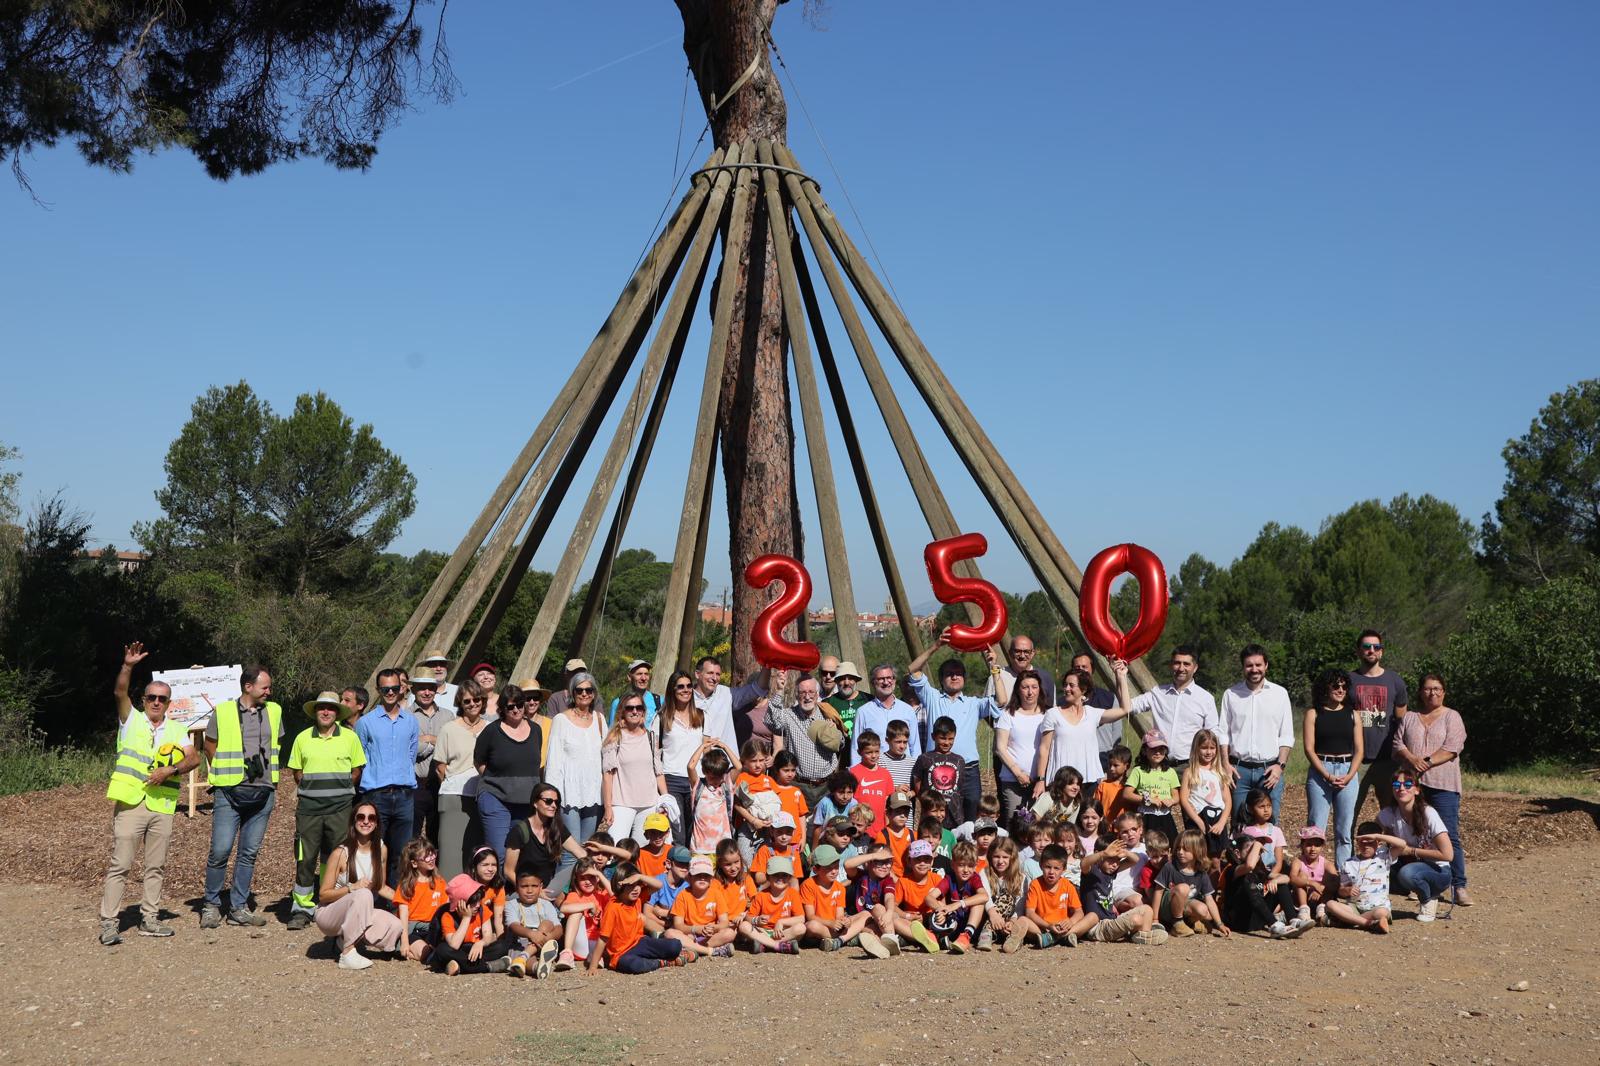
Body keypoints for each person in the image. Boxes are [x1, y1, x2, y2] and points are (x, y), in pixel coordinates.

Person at [99, 641, 199, 945]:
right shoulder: (131, 720)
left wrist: (169, 771)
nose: (156, 702)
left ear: (169, 703)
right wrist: (128, 666)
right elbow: (119, 692)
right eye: (152, 697)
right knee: (121, 865)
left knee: (156, 866)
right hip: (131, 802)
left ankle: (150, 918)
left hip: (162, 806)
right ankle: (109, 922)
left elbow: (194, 758)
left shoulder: (177, 730)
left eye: (162, 699)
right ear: (144, 699)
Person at [202, 664, 282, 929]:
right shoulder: (223, 712)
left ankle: (238, 907)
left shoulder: (274, 711)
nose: (269, 692)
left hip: (263, 792)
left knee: (249, 853)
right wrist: (226, 773)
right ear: (248, 687)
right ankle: (211, 905)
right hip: (229, 791)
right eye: (265, 687)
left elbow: (275, 745)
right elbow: (209, 745)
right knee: (221, 850)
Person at [286, 691, 367, 930]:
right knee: (305, 856)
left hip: (340, 808)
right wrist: (313, 791)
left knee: (337, 857)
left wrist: (340, 791)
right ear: (315, 711)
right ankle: (301, 908)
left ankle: (331, 903)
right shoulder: (302, 738)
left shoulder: (350, 738)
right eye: (321, 707)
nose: (325, 712)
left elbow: (356, 770)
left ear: (337, 713)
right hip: (309, 809)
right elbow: (297, 772)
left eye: (330, 708)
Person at [906, 632, 1003, 818]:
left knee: (971, 815)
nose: (954, 677)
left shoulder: (973, 703)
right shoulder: (932, 697)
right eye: (949, 674)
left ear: (964, 678)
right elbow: (912, 669)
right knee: (936, 816)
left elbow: (1002, 700)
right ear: (941, 679)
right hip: (937, 767)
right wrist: (935, 646)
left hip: (968, 770)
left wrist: (994, 668)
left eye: (958, 673)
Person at [1393, 673, 1470, 905]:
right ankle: (1416, 882)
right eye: (1427, 689)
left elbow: (1453, 747)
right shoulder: (1410, 717)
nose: (1432, 693)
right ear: (1420, 692)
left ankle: (1459, 885)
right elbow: (1397, 743)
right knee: (1414, 832)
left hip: (1443, 785)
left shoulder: (1452, 716)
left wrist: (1424, 761)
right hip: (1413, 786)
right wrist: (1410, 758)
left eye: (1437, 688)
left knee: (1448, 834)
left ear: (1444, 691)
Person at [314, 799, 403, 970]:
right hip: (329, 914)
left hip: (358, 909)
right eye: (361, 817)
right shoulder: (341, 853)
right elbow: (323, 895)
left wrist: (406, 900)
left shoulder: (381, 849)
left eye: (371, 818)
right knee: (363, 894)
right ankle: (347, 953)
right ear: (353, 822)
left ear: (377, 823)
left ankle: (345, 938)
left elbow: (381, 886)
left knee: (396, 925)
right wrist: (351, 888)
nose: (366, 821)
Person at [355, 667, 419, 881]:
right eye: (385, 689)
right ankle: (371, 901)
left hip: (404, 795)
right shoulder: (365, 723)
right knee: (374, 851)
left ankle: (393, 903)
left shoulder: (411, 721)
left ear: (401, 688)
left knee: (401, 854)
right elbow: (361, 758)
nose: (390, 693)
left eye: (394, 688)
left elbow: (410, 755)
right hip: (376, 795)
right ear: (378, 690)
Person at [1221, 643, 1296, 825]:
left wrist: (1280, 766)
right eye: (1249, 665)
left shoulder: (1280, 694)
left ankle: (1268, 855)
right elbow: (1223, 733)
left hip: (1269, 771)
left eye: (1258, 665)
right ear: (1243, 667)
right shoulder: (1231, 694)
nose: (1254, 669)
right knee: (1239, 824)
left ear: (1266, 665)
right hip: (1238, 772)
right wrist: (1225, 764)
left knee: (1270, 826)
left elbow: (1286, 735)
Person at [1034, 660, 1133, 794]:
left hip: (1089, 781)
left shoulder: (1092, 713)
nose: (1066, 689)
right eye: (1065, 685)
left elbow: (1125, 709)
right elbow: (1044, 748)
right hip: (1061, 781)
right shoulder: (1053, 714)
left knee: (1088, 815)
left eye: (1071, 685)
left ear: (1083, 689)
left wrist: (1121, 677)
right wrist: (1041, 779)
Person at [545, 671, 606, 882]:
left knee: (587, 850)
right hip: (567, 794)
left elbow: (606, 759)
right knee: (571, 853)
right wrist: (551, 798)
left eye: (588, 690)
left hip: (593, 793)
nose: (584, 694)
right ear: (572, 693)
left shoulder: (599, 719)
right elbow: (553, 761)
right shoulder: (561, 720)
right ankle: (557, 898)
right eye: (579, 690)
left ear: (594, 693)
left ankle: (580, 896)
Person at [474, 682, 544, 862]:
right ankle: (494, 890)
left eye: (520, 704)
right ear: (502, 709)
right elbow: (479, 761)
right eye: (510, 706)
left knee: (519, 853)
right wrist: (497, 780)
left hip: (525, 802)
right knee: (499, 853)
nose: (516, 710)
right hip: (495, 798)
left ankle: (512, 891)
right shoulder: (491, 731)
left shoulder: (536, 730)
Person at [1376, 769, 1455, 921]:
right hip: (1407, 865)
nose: (1401, 788)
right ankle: (1374, 904)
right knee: (1374, 871)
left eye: (1407, 784)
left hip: (1438, 871)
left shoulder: (1428, 814)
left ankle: (1428, 899)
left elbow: (1448, 855)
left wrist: (1411, 851)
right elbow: (1372, 832)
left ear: (1417, 790)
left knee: (1407, 873)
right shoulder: (1389, 814)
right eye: (1396, 784)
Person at [1304, 668, 1363, 867]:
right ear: (1325, 687)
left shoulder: (1354, 715)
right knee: (1315, 828)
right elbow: (1309, 749)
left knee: (1344, 830)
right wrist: (1327, 775)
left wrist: (1349, 776)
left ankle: (1343, 876)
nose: (1340, 690)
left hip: (1348, 771)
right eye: (1336, 685)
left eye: (1344, 686)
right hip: (1321, 772)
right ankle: (1314, 874)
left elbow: (1359, 750)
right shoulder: (1313, 714)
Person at [432, 679, 490, 878]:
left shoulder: (491, 728)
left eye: (476, 700)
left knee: (477, 855)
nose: (472, 704)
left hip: (482, 797)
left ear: (483, 701)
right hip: (454, 797)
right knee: (451, 856)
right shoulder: (449, 728)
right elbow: (440, 766)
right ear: (460, 704)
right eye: (467, 701)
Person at [1349, 629, 1409, 818]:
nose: (1371, 650)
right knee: (1350, 812)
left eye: (1376, 647)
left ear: (1381, 652)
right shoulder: (1348, 680)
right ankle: (1348, 848)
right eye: (1366, 647)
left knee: (1391, 813)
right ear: (1358, 651)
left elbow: (1402, 721)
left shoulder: (1395, 681)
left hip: (1387, 760)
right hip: (1354, 759)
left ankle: (1391, 848)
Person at [589, 863, 693, 972]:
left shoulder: (637, 899)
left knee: (674, 945)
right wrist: (593, 966)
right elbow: (603, 938)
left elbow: (659, 885)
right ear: (620, 885)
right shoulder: (613, 907)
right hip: (621, 953)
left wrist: (640, 876)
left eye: (638, 884)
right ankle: (664, 962)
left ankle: (674, 955)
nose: (635, 889)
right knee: (634, 965)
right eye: (631, 885)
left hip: (640, 942)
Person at [765, 675, 847, 810]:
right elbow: (772, 723)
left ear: (817, 694)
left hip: (827, 786)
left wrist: (833, 734)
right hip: (799, 784)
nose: (807, 697)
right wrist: (779, 691)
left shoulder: (827, 713)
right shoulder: (789, 715)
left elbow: (842, 744)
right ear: (796, 695)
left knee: (826, 829)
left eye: (811, 692)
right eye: (803, 692)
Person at [1128, 646, 1218, 769]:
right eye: (1177, 663)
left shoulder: (1206, 699)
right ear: (1171, 665)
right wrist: (1120, 675)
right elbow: (1129, 706)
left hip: (1190, 766)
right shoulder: (1158, 693)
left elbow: (1213, 735)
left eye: (1186, 664)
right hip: (1159, 765)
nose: (1181, 668)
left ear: (1195, 668)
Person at [600, 694, 670, 843]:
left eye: (638, 707)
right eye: (630, 708)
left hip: (649, 804)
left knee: (643, 852)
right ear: (622, 711)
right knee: (615, 851)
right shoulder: (614, 738)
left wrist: (666, 801)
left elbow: (658, 772)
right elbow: (608, 775)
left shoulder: (651, 737)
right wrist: (608, 807)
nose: (634, 711)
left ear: (643, 711)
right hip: (621, 804)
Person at [505, 782, 591, 897]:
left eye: (557, 802)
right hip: (523, 891)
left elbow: (581, 853)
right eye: (548, 801)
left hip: (549, 889)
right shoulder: (520, 831)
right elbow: (508, 871)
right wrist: (535, 891)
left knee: (580, 865)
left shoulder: (557, 828)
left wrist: (595, 869)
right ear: (535, 803)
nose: (554, 805)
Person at [657, 669, 706, 844]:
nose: (685, 690)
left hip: (697, 780)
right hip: (672, 780)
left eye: (688, 686)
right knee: (678, 835)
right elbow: (655, 754)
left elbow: (706, 749)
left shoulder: (701, 716)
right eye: (680, 687)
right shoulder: (662, 717)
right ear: (673, 690)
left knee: (696, 834)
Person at [992, 668, 1044, 825]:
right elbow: (1000, 748)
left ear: (1039, 689)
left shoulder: (1047, 714)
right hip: (1013, 780)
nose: (1030, 692)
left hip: (1040, 782)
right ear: (1018, 690)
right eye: (1025, 687)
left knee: (1037, 826)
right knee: (1014, 824)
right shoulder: (1008, 715)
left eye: (1034, 687)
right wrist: (1018, 773)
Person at [1152, 829, 1226, 936]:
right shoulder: (1170, 866)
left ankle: (1190, 922)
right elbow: (1158, 892)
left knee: (1205, 911)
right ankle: (1177, 924)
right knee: (1183, 888)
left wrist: (1219, 924)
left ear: (1198, 851)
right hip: (1167, 907)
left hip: (1185, 906)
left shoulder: (1201, 873)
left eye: (1185, 849)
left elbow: (1209, 899)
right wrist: (1155, 919)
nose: (1180, 852)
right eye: (1178, 848)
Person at [409, 670, 453, 847]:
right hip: (414, 782)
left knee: (438, 834)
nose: (426, 692)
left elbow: (452, 747)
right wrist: (436, 743)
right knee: (411, 835)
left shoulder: (448, 716)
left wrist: (429, 739)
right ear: (413, 690)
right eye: (422, 688)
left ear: (436, 690)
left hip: (440, 781)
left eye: (430, 688)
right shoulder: (405, 716)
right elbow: (410, 749)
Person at [1326, 822, 1395, 934]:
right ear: (1357, 842)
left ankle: (1348, 920)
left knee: (1382, 913)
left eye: (1370, 843)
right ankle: (1368, 924)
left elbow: (1402, 844)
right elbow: (1341, 890)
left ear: (1378, 842)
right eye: (1362, 842)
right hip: (1354, 907)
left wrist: (1378, 836)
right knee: (1330, 904)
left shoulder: (1384, 857)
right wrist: (1347, 890)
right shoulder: (1348, 863)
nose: (1366, 846)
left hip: (1377, 907)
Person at [392, 838, 449, 962]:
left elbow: (445, 908)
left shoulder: (439, 882)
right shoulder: (406, 885)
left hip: (433, 928)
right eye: (427, 857)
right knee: (425, 952)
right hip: (413, 929)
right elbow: (404, 915)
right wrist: (405, 941)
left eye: (433, 854)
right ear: (414, 863)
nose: (432, 858)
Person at [852, 664, 921, 765]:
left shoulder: (908, 710)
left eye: (889, 678)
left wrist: (917, 774)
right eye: (881, 679)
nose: (886, 682)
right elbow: (856, 749)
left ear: (894, 680)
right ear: (873, 682)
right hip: (874, 772)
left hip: (903, 772)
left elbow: (914, 747)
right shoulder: (863, 712)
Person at [692, 655, 764, 751]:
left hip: (727, 762)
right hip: (694, 762)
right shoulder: (685, 699)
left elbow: (757, 689)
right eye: (710, 673)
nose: (714, 678)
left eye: (718, 674)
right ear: (697, 674)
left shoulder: (726, 694)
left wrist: (767, 665)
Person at [1178, 728, 1230, 857]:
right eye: (1204, 748)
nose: (1209, 752)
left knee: (1215, 860)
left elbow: (1227, 801)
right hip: (1198, 818)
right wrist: (1198, 821)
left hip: (1217, 819)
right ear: (1196, 748)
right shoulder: (1190, 772)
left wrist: (1222, 822)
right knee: (1197, 857)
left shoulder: (1220, 772)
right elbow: (1184, 799)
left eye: (1212, 748)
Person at [1123, 730, 1181, 843]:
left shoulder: (1170, 772)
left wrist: (1171, 801)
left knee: (1168, 846)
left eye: (1161, 749)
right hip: (1146, 816)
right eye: (1153, 749)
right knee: (1146, 847)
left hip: (1165, 816)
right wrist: (1148, 800)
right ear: (1144, 750)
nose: (1158, 753)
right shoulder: (1138, 771)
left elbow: (1176, 796)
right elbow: (1127, 794)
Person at [505, 868, 563, 978]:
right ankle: (538, 967)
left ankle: (524, 956)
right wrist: (532, 934)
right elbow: (514, 926)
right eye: (524, 886)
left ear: (541, 887)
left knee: (547, 923)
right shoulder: (511, 904)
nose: (529, 890)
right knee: (524, 962)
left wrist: (547, 937)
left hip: (544, 942)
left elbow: (559, 929)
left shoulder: (546, 904)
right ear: (517, 888)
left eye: (534, 886)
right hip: (520, 943)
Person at [911, 716, 967, 827]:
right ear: (933, 737)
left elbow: (960, 787)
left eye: (951, 739)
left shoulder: (959, 760)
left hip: (954, 815)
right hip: (930, 813)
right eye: (942, 738)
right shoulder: (924, 758)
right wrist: (925, 801)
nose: (947, 743)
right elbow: (917, 782)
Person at [985, 634, 1057, 708]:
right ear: (1010, 653)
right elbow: (987, 711)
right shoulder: (997, 678)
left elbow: (1052, 712)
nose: (1022, 656)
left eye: (1026, 652)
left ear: (1032, 654)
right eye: (1017, 651)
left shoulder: (1045, 678)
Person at [1288, 825, 1339, 925]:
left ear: (1322, 847)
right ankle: (1304, 909)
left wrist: (1321, 888)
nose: (1312, 849)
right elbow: (1292, 878)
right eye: (1309, 845)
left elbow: (1336, 881)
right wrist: (1311, 883)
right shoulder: (1298, 861)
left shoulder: (1326, 863)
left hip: (1322, 897)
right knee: (1301, 875)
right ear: (1302, 845)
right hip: (1302, 897)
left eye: (1317, 845)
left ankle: (1321, 909)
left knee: (1330, 878)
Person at [848, 730, 894, 834]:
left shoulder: (885, 774)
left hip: (880, 829)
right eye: (869, 752)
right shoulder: (853, 772)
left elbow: (888, 805)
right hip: (859, 830)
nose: (873, 756)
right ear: (860, 752)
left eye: (876, 751)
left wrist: (887, 828)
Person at [823, 662, 872, 749]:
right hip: (841, 755)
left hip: (867, 753)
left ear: (856, 680)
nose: (846, 682)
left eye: (851, 678)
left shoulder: (869, 700)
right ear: (837, 681)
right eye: (842, 679)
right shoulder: (827, 704)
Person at [607, 659, 663, 728]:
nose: (643, 678)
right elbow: (612, 733)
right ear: (629, 677)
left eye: (646, 674)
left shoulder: (659, 701)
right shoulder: (618, 703)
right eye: (639, 674)